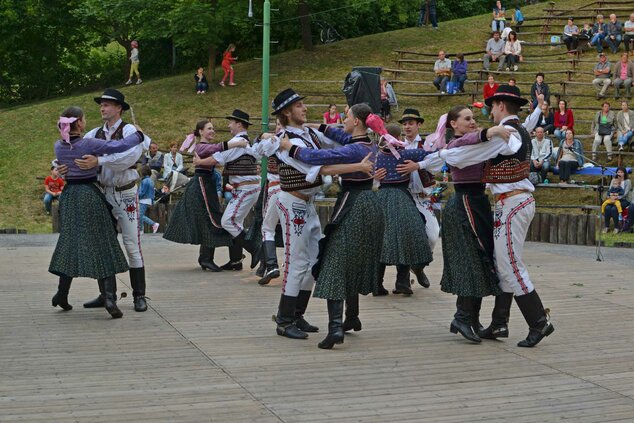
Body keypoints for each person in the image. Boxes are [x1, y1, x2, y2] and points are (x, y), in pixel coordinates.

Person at [425, 85, 555, 348]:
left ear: (500, 106)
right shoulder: (517, 129)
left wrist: (431, 159)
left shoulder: (507, 134)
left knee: (511, 265)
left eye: (491, 107)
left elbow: (463, 155)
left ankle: (539, 322)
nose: (488, 112)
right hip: (512, 201)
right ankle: (499, 322)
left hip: (513, 201)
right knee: (502, 262)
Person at [277, 103, 381, 350]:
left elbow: (317, 156)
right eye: (299, 106)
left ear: (356, 121)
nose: (341, 121)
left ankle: (319, 322)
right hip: (358, 203)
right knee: (335, 259)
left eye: (346, 117)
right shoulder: (367, 142)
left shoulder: (349, 147)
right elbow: (330, 147)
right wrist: (312, 128)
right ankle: (344, 316)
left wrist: (290, 145)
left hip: (343, 203)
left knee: (326, 260)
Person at [49, 106, 145, 317]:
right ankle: (109, 299)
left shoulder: (59, 145)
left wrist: (57, 168)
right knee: (103, 244)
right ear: (80, 123)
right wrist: (139, 135)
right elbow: (119, 145)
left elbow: (59, 163)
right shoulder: (88, 143)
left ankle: (61, 294)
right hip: (90, 195)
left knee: (69, 244)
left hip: (69, 197)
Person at [75, 88, 152, 313]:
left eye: (107, 104)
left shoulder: (129, 131)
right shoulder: (94, 133)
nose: (102, 107)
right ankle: (106, 294)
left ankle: (139, 295)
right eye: (101, 104)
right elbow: (76, 149)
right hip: (101, 193)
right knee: (103, 243)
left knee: (131, 243)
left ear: (119, 108)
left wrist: (98, 161)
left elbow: (127, 158)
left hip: (125, 192)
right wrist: (62, 163)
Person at [163, 119, 247, 271]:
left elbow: (218, 158)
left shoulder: (204, 148)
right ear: (200, 131)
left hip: (206, 184)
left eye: (213, 128)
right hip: (201, 186)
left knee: (210, 220)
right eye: (209, 128)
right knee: (211, 219)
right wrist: (239, 143)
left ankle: (213, 258)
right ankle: (209, 258)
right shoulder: (201, 147)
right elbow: (218, 148)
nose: (213, 131)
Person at [196, 110, 261, 271]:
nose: (228, 125)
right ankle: (236, 260)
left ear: (239, 124)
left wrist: (200, 161)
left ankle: (256, 250)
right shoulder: (244, 141)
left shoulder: (239, 140)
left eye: (231, 122)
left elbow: (217, 158)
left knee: (228, 221)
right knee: (235, 222)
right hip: (246, 188)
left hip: (246, 188)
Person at [395, 109, 439, 289]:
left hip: (422, 197)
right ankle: (402, 280)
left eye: (410, 123)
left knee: (432, 234)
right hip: (403, 196)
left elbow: (437, 167)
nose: (406, 127)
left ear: (419, 124)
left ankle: (419, 267)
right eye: (404, 123)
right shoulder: (396, 146)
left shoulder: (428, 145)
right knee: (403, 236)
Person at [138, 165, 160, 234]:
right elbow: (152, 192)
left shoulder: (144, 181)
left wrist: (136, 197)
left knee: (139, 215)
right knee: (139, 215)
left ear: (143, 173)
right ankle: (141, 229)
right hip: (148, 199)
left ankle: (153, 224)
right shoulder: (150, 180)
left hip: (143, 199)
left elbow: (142, 192)